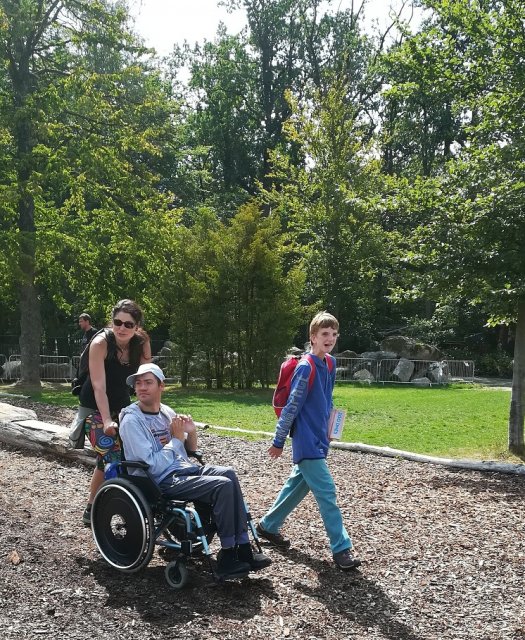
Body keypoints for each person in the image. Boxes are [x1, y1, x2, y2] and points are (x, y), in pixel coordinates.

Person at [119, 362, 271, 580]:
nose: (142, 387)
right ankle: (228, 555)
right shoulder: (132, 421)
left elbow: (188, 450)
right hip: (157, 480)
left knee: (228, 473)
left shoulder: (167, 413)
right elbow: (152, 465)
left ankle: (243, 547)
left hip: (182, 470)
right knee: (222, 485)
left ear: (161, 386)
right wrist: (175, 440)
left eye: (148, 382)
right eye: (138, 383)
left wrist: (190, 432)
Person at [256, 311, 362, 571]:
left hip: (320, 437)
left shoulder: (330, 363)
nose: (330, 338)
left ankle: (268, 526)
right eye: (325, 334)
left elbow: (327, 398)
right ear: (313, 337)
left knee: (297, 485)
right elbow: (292, 407)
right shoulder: (305, 367)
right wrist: (279, 440)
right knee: (327, 492)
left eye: (334, 334)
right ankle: (341, 549)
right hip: (306, 441)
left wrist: (331, 426)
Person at [79, 299, 151, 526]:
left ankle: (100, 504)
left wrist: (152, 414)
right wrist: (107, 420)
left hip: (121, 404)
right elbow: (99, 387)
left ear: (136, 327)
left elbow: (146, 379)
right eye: (117, 322)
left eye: (128, 324)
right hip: (94, 406)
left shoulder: (141, 343)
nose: (121, 328)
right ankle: (104, 505)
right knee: (111, 454)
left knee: (131, 453)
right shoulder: (100, 343)